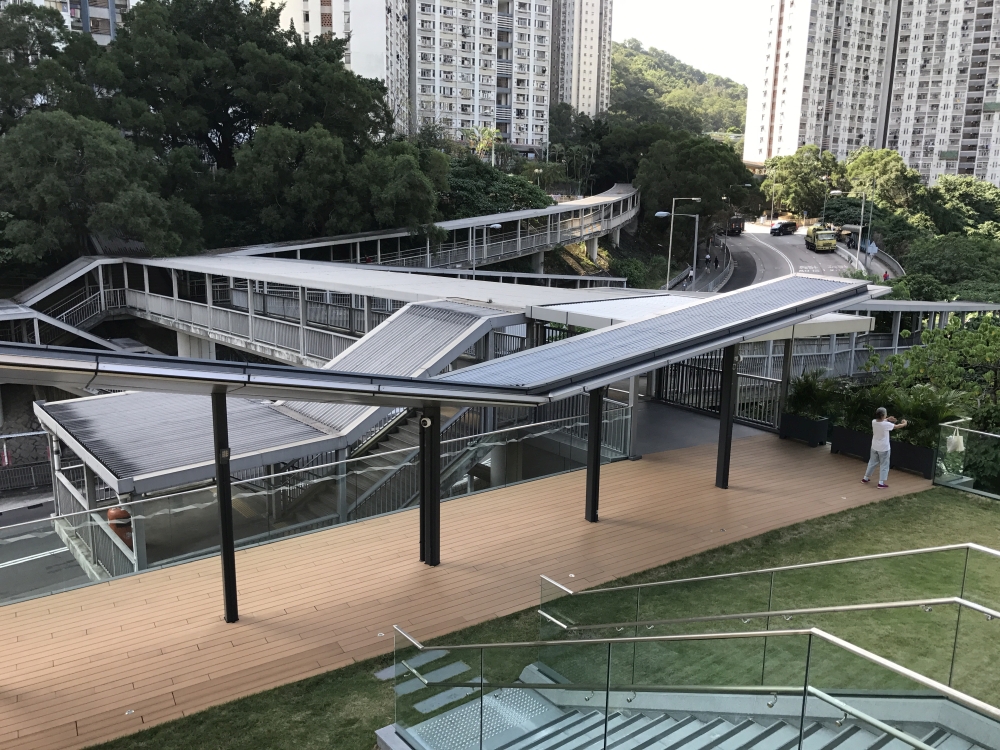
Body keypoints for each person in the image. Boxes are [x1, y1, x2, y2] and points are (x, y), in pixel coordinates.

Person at [863, 407, 907, 488]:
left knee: (872, 462)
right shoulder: (886, 424)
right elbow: (897, 426)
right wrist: (904, 423)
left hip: (874, 446)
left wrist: (887, 419)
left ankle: (865, 478)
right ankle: (881, 483)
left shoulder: (873, 422)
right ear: (883, 415)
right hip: (884, 448)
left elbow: (881, 421)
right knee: (884, 465)